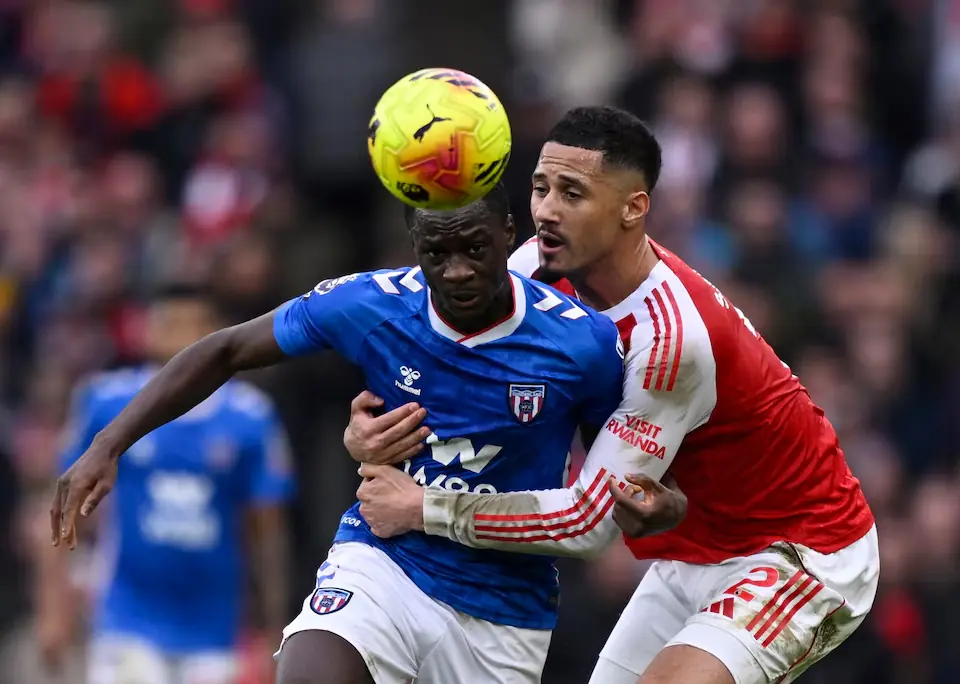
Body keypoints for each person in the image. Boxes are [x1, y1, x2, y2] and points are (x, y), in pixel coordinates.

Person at [341, 106, 880, 684]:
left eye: (572, 194)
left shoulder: (671, 341)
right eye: (541, 188)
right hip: (693, 549)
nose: (546, 211)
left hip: (799, 549)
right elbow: (450, 381)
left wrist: (424, 508)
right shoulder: (531, 273)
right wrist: (372, 428)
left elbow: (587, 524)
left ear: (633, 208)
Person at [50, 183, 632, 684]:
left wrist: (651, 510)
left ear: (510, 232)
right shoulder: (370, 305)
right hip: (385, 562)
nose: (457, 271)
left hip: (503, 608)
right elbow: (225, 349)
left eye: (475, 248)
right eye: (437, 253)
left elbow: (607, 495)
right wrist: (108, 444)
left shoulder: (580, 346)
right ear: (414, 249)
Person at [38, 284, 295, 684]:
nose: (175, 337)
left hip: (214, 628)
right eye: (165, 324)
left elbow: (266, 528)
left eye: (187, 325)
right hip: (126, 617)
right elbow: (59, 505)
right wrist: (54, 609)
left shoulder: (251, 418)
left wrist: (275, 626)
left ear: (215, 332)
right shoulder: (106, 402)